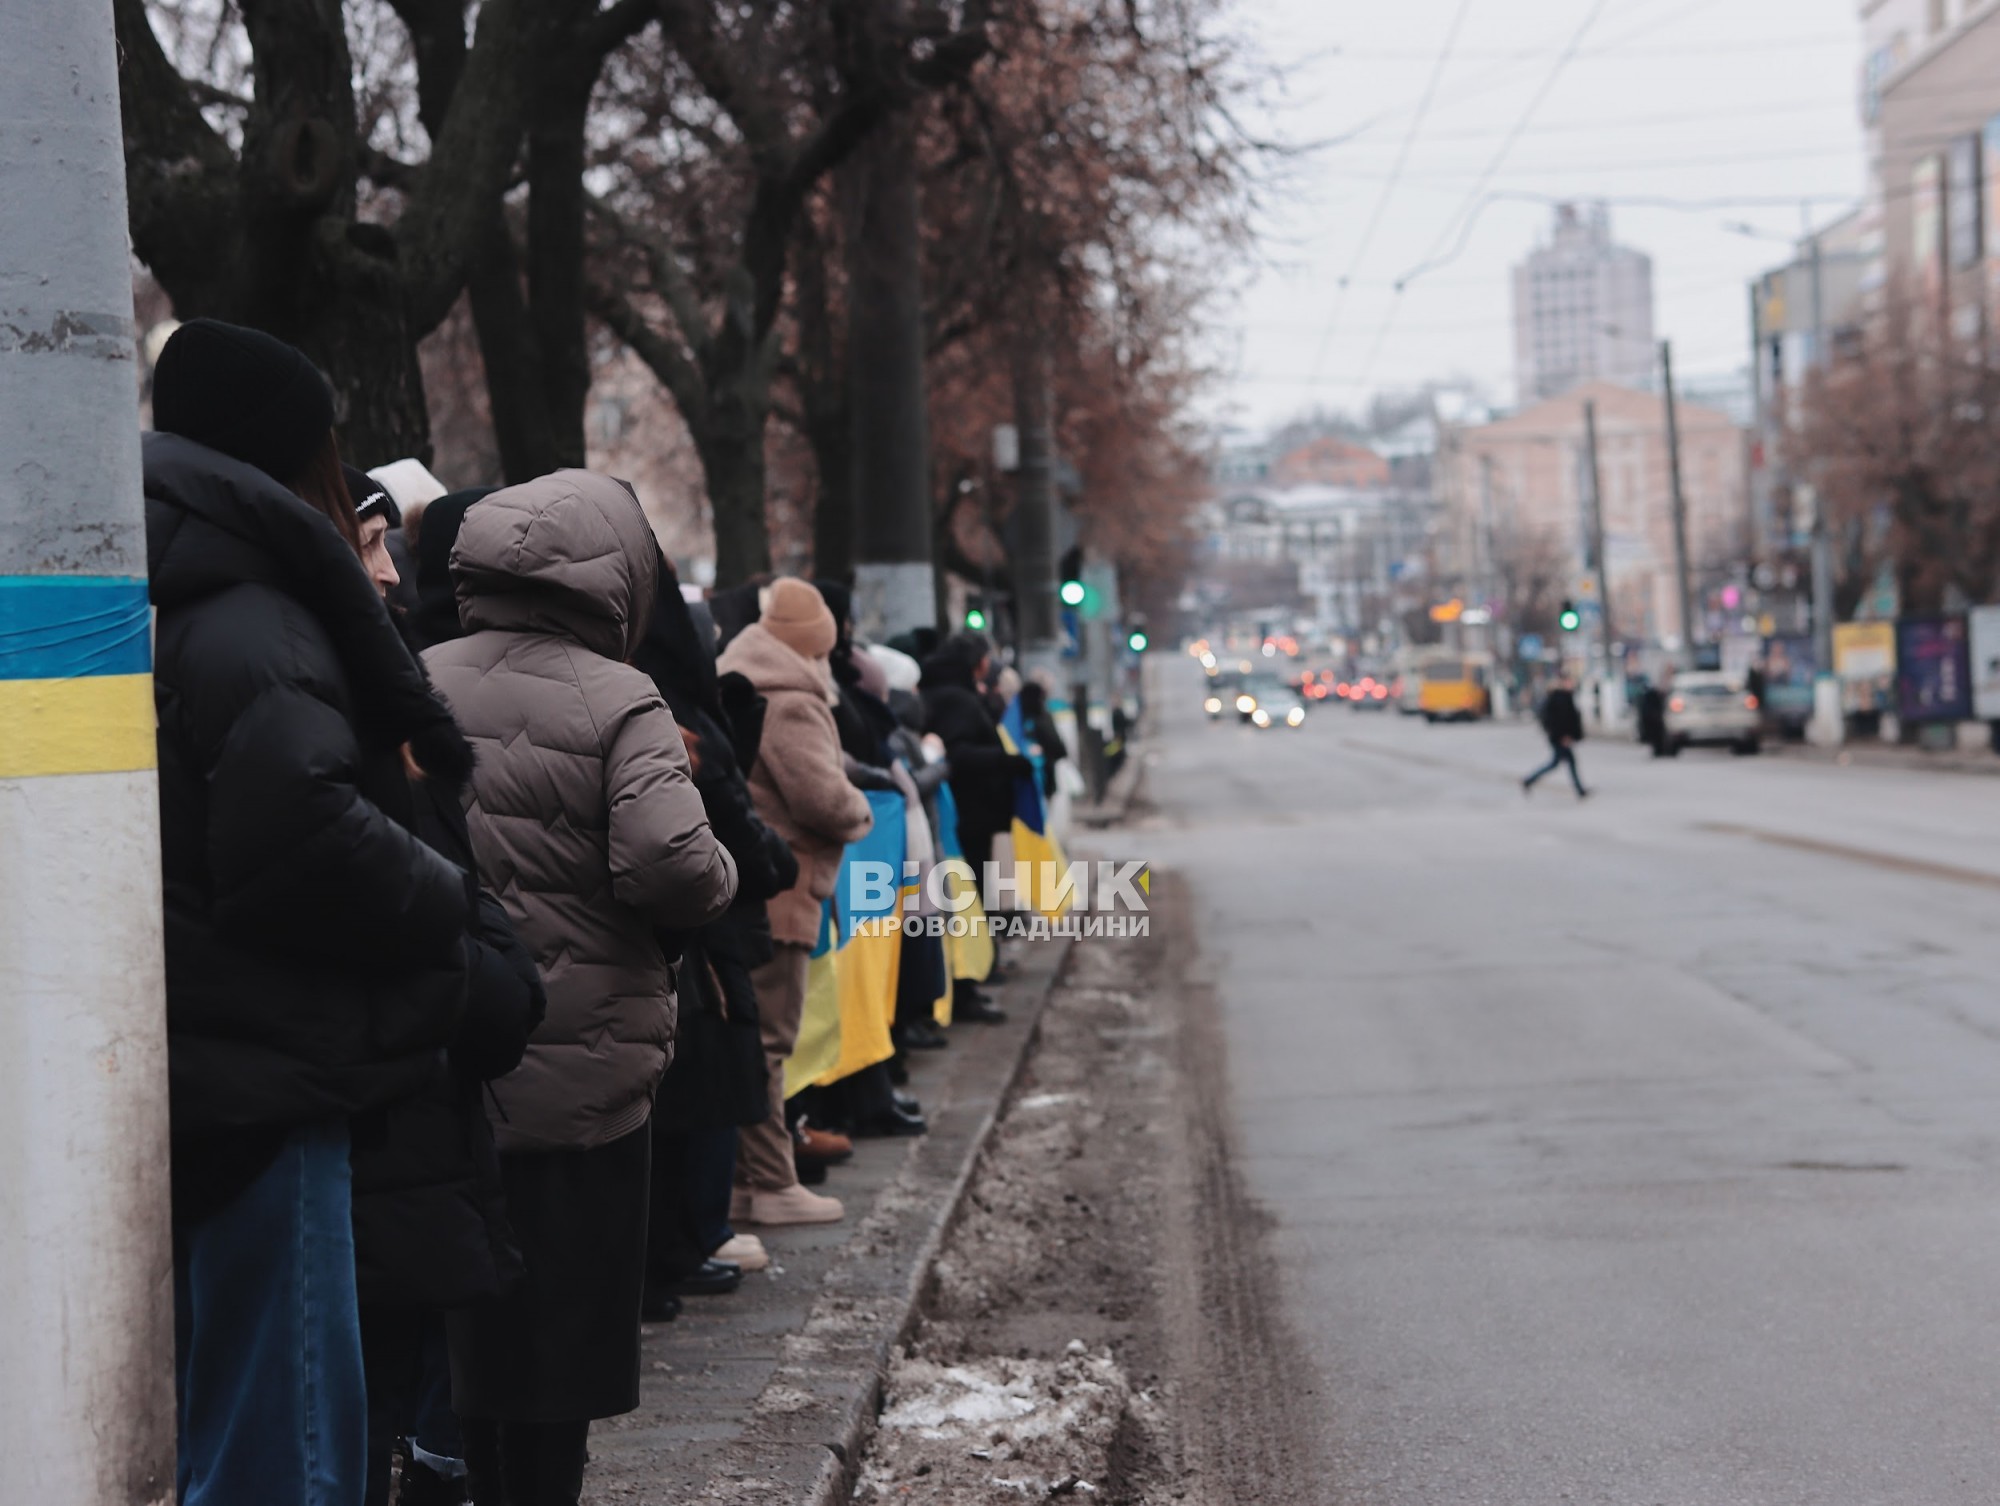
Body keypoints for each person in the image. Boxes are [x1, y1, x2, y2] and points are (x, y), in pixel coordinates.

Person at [146, 318, 474, 1506]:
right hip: (265, 1068)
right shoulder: (256, 615)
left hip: (217, 1058)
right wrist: (449, 899)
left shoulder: (183, 591)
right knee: (287, 1441)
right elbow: (301, 836)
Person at [423, 470, 738, 1506]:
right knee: (560, 1343)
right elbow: (674, 866)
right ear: (616, 576)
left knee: (467, 1325)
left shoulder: (413, 676)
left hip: (445, 1056)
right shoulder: (620, 699)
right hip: (587, 1067)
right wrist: (724, 875)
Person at [331, 469, 550, 1506]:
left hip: (414, 1094)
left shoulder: (392, 695)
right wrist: (488, 985)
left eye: (394, 547)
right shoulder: (351, 709)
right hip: (398, 1094)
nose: (390, 574)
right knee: (387, 1375)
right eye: (368, 545)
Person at [632, 550, 802, 1311]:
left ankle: (674, 1244)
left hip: (673, 933)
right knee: (707, 1089)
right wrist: (767, 863)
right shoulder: (667, 715)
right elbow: (712, 833)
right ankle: (684, 1240)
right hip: (692, 936)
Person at [717, 578, 875, 1226]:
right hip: (786, 890)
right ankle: (772, 1182)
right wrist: (862, 808)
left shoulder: (750, 678)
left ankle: (749, 1180)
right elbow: (821, 798)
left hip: (762, 885)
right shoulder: (792, 700)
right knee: (770, 1044)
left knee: (756, 1041)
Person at [920, 634, 1034, 1023]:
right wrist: (1008, 761)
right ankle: (966, 989)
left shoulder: (945, 694)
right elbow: (959, 753)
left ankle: (968, 983)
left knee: (962, 907)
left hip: (963, 817)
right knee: (968, 907)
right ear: (978, 663)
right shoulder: (957, 700)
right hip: (967, 817)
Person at [1524, 671, 1590, 798]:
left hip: (1560, 737)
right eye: (1570, 681)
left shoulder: (1565, 696)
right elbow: (1558, 720)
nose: (1572, 684)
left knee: (1561, 763)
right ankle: (1529, 780)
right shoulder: (1559, 698)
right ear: (1563, 682)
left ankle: (1529, 780)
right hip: (1560, 738)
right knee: (1558, 764)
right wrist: (1563, 736)